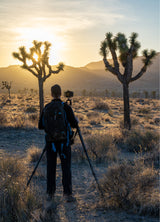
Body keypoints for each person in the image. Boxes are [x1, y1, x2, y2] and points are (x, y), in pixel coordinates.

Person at [38, 84, 78, 202]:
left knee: (51, 167)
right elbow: (75, 124)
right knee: (66, 167)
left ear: (51, 94)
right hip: (64, 142)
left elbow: (40, 126)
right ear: (61, 93)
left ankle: (50, 194)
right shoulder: (65, 107)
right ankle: (67, 194)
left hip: (51, 143)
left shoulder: (46, 107)